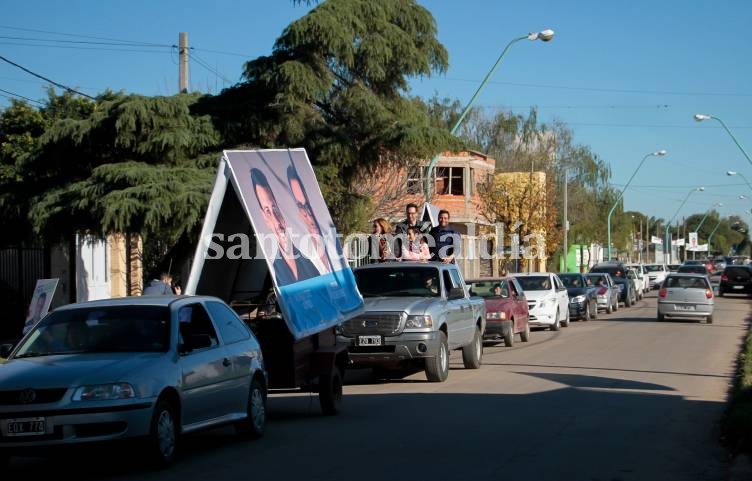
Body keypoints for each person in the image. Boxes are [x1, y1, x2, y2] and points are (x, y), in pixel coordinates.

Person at [251, 167, 319, 286]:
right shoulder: (273, 271)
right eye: (267, 211)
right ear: (264, 218)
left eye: (274, 208)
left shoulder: (310, 260)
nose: (276, 220)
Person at [287, 164, 332, 274]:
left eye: (307, 205)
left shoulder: (333, 240)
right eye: (301, 206)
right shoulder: (301, 250)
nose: (308, 214)